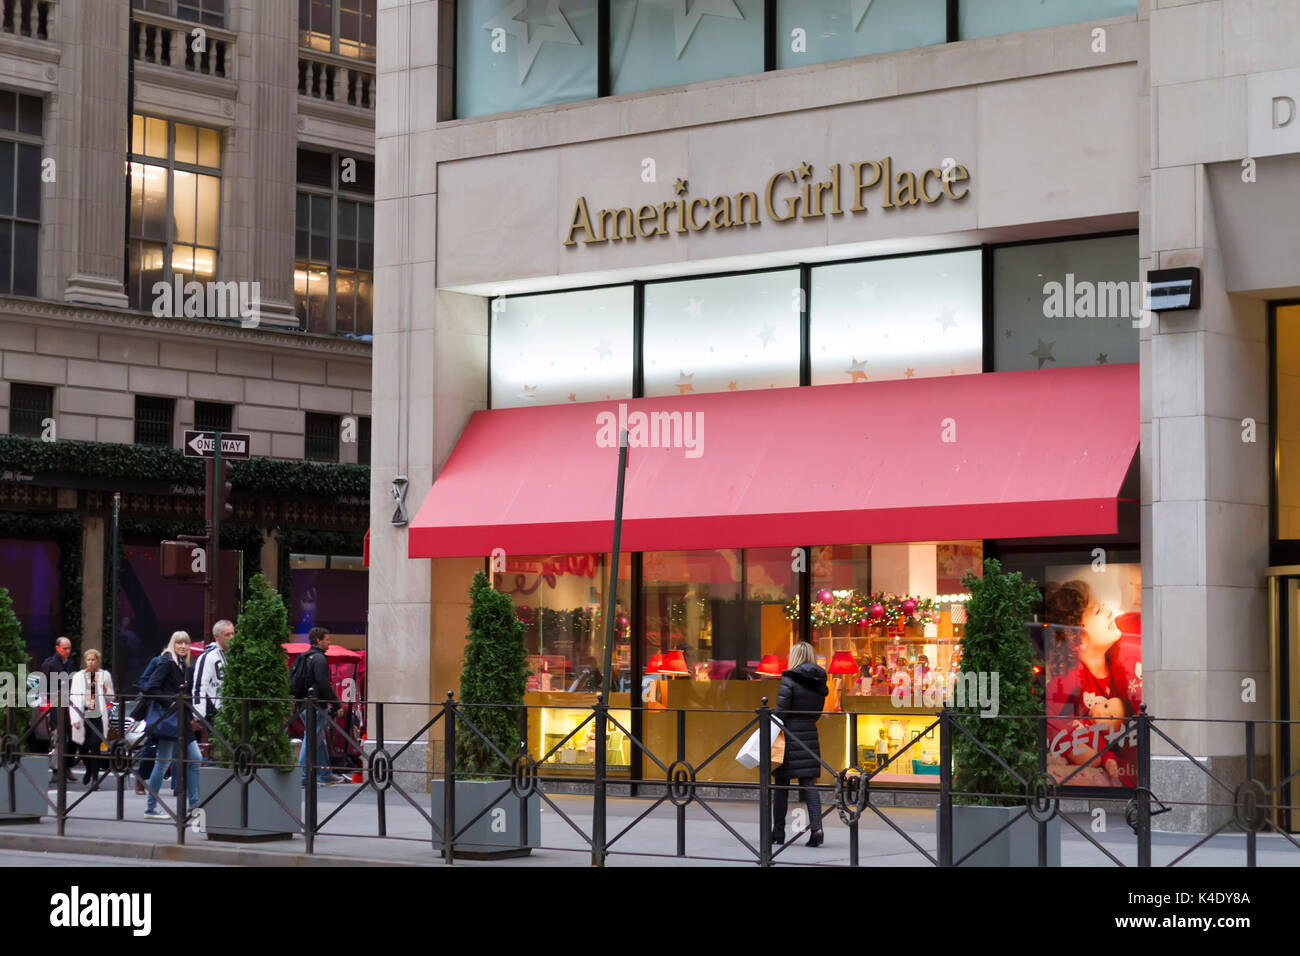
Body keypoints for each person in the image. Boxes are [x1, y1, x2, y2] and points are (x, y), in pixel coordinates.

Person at [771, 641, 829, 848]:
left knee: (780, 785)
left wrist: (768, 716)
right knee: (809, 783)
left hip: (788, 736)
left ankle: (778, 832)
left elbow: (781, 710)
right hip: (809, 735)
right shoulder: (819, 682)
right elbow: (817, 713)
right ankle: (817, 829)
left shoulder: (789, 679)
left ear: (794, 656)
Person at [140, 632, 201, 819]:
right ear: (173, 644)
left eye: (186, 643)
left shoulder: (183, 665)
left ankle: (194, 806)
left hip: (179, 720)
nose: (183, 646)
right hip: (170, 720)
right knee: (163, 763)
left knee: (194, 759)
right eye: (179, 643)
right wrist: (169, 703)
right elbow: (150, 686)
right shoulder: (168, 662)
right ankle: (151, 807)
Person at [296, 627, 347, 787]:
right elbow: (323, 683)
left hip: (303, 704)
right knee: (312, 738)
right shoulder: (319, 659)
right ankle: (302, 776)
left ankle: (325, 774)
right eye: (327, 639)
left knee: (318, 738)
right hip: (316, 705)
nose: (329, 643)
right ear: (318, 640)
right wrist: (336, 703)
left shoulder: (303, 657)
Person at [69, 649, 115, 788]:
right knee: (82, 748)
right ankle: (88, 768)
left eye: (93, 659)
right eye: (88, 659)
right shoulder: (79, 676)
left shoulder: (104, 675)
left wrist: (105, 689)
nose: (90, 662)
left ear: (98, 660)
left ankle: (95, 779)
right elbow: (74, 698)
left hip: (97, 715)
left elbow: (111, 698)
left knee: (95, 747)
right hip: (83, 714)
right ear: (85, 661)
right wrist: (75, 719)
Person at [40, 636, 78, 780]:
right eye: (65, 648)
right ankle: (57, 770)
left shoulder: (70, 663)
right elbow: (43, 685)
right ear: (57, 648)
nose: (68, 651)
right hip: (56, 705)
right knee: (60, 736)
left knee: (73, 736)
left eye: (69, 648)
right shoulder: (49, 664)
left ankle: (66, 766)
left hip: (69, 704)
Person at [193, 619, 233, 728]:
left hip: (232, 712)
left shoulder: (234, 655)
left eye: (233, 633)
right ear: (216, 637)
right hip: (215, 713)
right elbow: (199, 686)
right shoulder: (207, 657)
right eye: (227, 635)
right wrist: (199, 715)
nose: (231, 637)